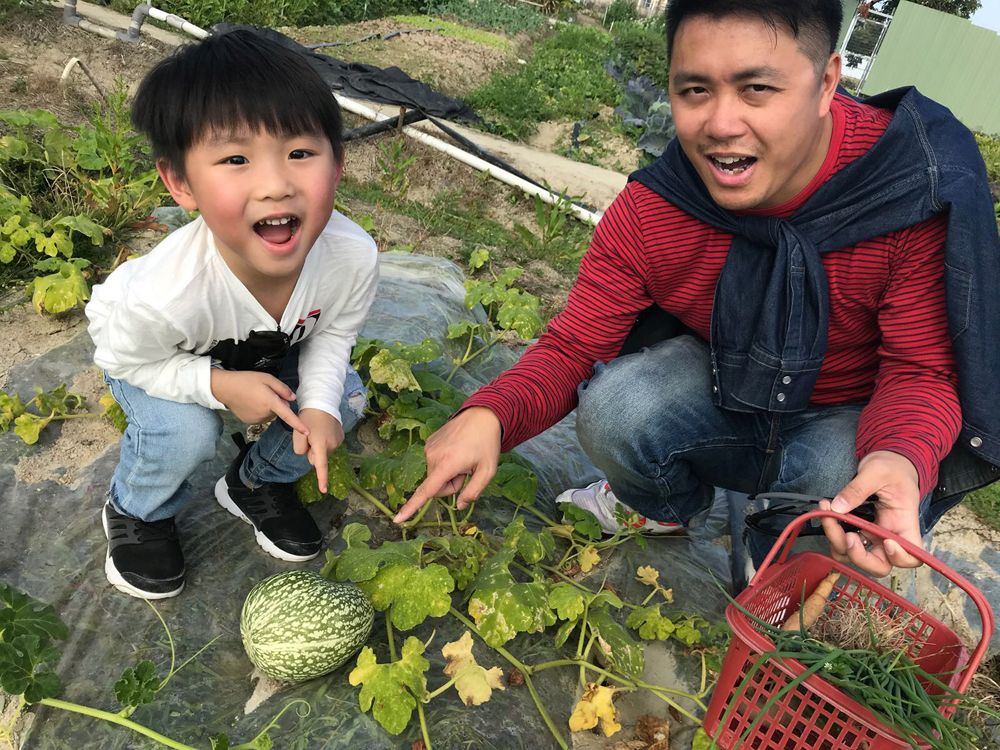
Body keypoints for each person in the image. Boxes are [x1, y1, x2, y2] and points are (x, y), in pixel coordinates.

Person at [394, 0, 1000, 580]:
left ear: (825, 83)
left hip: (851, 414)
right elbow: (575, 345)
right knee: (614, 409)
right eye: (694, 90)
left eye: (756, 88)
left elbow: (921, 370)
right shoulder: (657, 207)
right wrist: (491, 415)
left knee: (842, 502)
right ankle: (666, 508)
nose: (721, 125)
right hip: (724, 380)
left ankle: (784, 563)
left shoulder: (907, 192)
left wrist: (898, 455)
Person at [86, 30, 378, 599]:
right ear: (180, 183)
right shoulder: (164, 295)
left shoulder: (352, 257)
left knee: (343, 400)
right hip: (152, 356)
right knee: (186, 431)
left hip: (260, 349)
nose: (276, 186)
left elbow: (332, 334)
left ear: (337, 164)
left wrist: (319, 405)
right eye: (236, 159)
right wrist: (216, 385)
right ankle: (138, 509)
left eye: (300, 153)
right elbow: (127, 359)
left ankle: (254, 482)